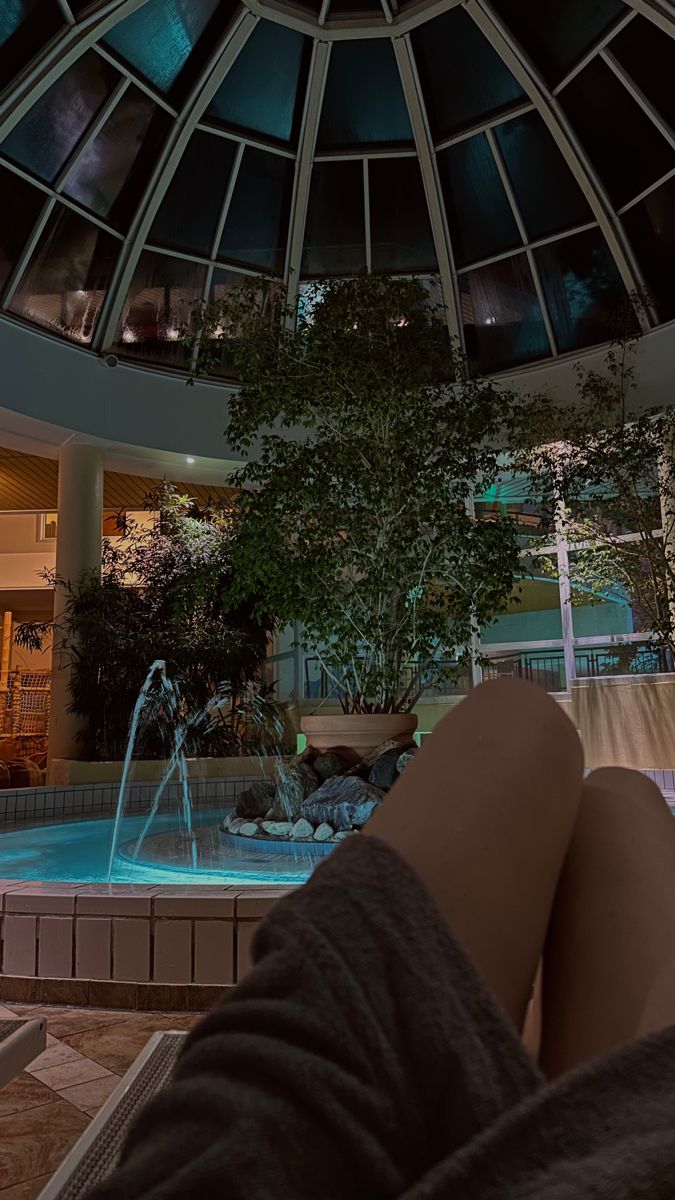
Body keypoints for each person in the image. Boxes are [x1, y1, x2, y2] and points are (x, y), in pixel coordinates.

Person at [89, 679, 675, 1199]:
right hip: (628, 1153)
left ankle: (510, 1099)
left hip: (256, 1146)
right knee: (589, 772)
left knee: (605, 790)